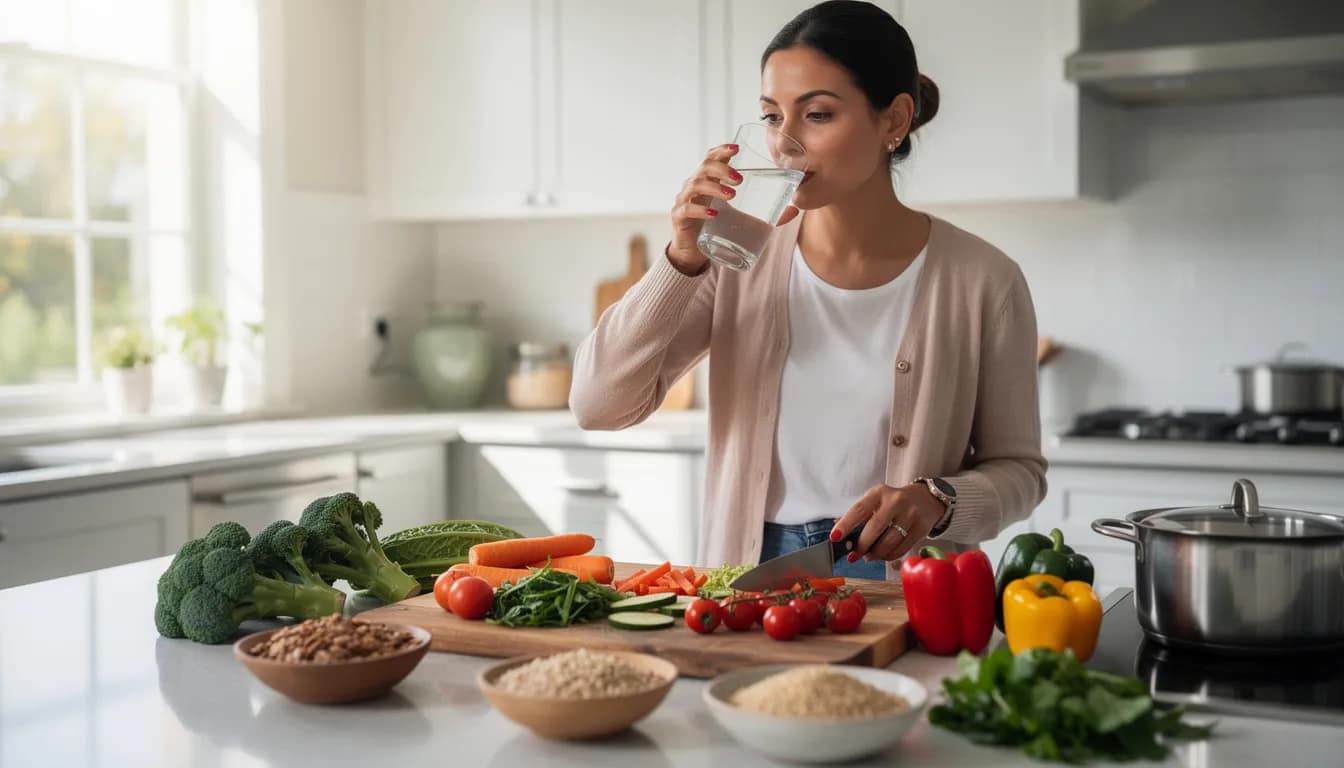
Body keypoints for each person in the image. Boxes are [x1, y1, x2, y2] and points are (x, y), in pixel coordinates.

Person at [569, 0, 1046, 579]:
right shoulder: (736, 258)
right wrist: (679, 260)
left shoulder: (984, 280)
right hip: (747, 574)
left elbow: (1020, 471)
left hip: (906, 584)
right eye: (772, 117)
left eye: (816, 115)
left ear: (893, 121)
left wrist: (937, 498)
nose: (783, 144)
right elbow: (598, 406)